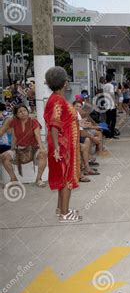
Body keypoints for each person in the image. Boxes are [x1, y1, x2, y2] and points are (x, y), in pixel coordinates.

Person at [44, 67, 82, 222]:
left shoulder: (55, 98)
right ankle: (65, 214)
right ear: (65, 83)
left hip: (62, 144)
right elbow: (54, 124)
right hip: (63, 146)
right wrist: (58, 147)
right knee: (66, 178)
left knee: (62, 177)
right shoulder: (58, 101)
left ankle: (61, 209)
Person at [0, 104, 47, 187]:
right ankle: (14, 179)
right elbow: (14, 137)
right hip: (19, 149)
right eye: (20, 112)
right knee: (4, 156)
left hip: (33, 148)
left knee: (43, 153)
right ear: (16, 115)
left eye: (24, 110)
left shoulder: (33, 121)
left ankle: (39, 179)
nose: (23, 113)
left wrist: (42, 147)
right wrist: (12, 149)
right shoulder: (14, 122)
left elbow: (38, 136)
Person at [102, 74, 118, 139]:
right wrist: (114, 102)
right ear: (111, 79)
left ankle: (106, 133)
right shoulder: (111, 85)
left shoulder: (104, 86)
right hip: (111, 105)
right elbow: (112, 94)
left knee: (107, 120)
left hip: (106, 104)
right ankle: (111, 134)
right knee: (113, 120)